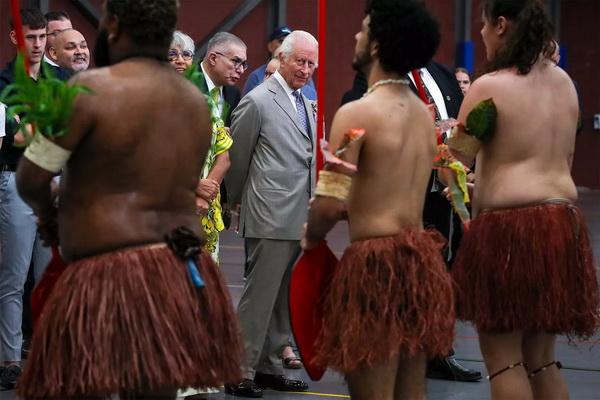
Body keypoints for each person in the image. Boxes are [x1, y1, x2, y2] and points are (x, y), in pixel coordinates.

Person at [14, 0, 243, 398]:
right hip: (178, 270)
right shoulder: (195, 103)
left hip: (106, 270)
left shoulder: (87, 90)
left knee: (78, 387)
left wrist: (50, 215)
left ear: (113, 26)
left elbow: (31, 178)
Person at [302, 1, 455, 398]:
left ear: (376, 45)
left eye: (363, 29)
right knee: (411, 393)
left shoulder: (356, 114)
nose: (355, 35)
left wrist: (311, 236)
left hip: (375, 268)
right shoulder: (423, 116)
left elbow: (332, 202)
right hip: (422, 263)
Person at [448, 1, 599, 399]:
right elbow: (565, 158)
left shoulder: (489, 87)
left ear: (500, 25)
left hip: (511, 231)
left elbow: (454, 164)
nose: (480, 36)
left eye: (482, 27)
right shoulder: (566, 82)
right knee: (543, 359)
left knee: (505, 360)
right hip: (562, 224)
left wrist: (466, 205)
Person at [225, 30, 317, 397]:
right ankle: (238, 369)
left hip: (300, 215)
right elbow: (238, 157)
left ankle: (269, 366)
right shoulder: (258, 100)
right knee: (259, 297)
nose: (307, 70)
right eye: (301, 61)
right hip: (268, 213)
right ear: (281, 57)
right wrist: (236, 200)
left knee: (282, 300)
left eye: (312, 64)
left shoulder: (307, 103)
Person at [0, 8, 70, 390]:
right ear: (15, 38)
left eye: (43, 37)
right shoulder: (2, 81)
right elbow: (15, 138)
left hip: (57, 181)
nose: (39, 44)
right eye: (31, 37)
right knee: (14, 275)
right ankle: (9, 358)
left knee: (51, 275)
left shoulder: (62, 77)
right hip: (17, 180)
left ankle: (46, 354)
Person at [184, 31, 246, 262]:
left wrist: (209, 194)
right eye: (236, 61)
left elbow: (225, 154)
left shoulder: (232, 93)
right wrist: (194, 187)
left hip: (211, 195)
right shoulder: (186, 86)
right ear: (213, 58)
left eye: (244, 64)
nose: (240, 69)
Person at [242, 26, 316, 99]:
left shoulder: (303, 76)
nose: (304, 71)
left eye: (288, 42)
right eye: (281, 41)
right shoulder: (256, 77)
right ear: (270, 46)